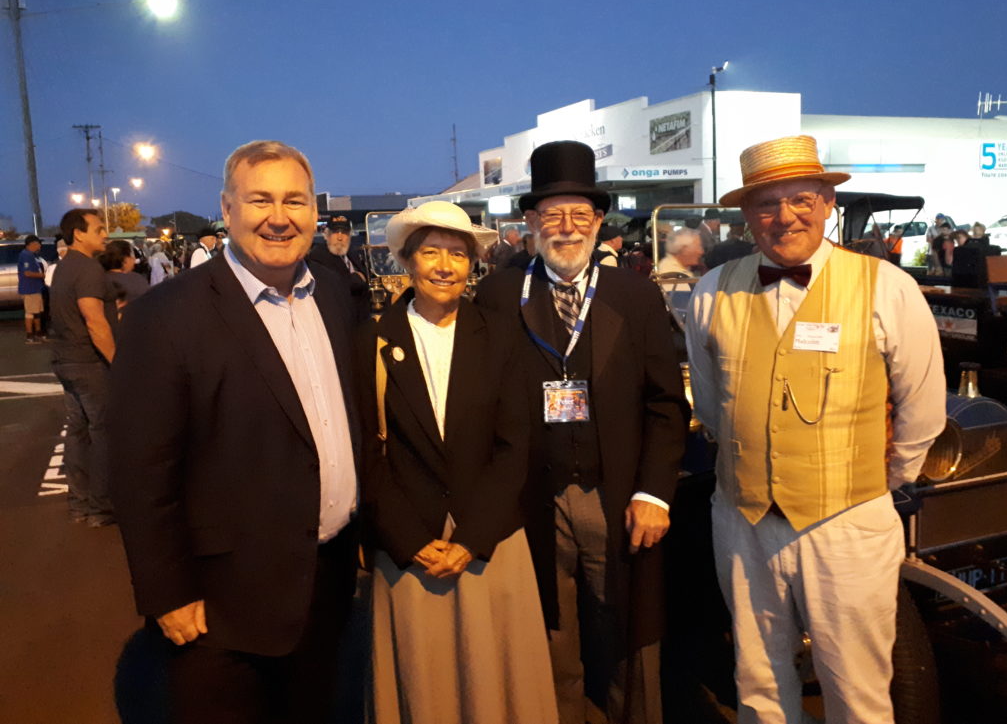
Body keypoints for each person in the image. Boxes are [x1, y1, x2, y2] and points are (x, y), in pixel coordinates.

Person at [685, 134, 945, 724]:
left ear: (827, 201)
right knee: (757, 681)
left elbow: (923, 411)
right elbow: (713, 403)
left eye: (800, 199)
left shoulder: (887, 288)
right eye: (766, 205)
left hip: (846, 523)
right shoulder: (710, 293)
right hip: (743, 518)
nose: (784, 217)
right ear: (747, 215)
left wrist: (866, 483)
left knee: (855, 687)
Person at [108, 140, 361, 724]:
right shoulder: (165, 316)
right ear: (227, 210)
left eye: (294, 200)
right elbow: (139, 469)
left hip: (326, 580)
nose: (279, 217)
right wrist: (167, 592)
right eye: (260, 200)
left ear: (314, 212)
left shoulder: (334, 295)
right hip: (221, 604)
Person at [476, 140, 689, 724]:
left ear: (598, 221)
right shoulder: (498, 295)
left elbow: (666, 405)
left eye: (578, 215)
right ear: (530, 222)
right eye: (552, 215)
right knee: (548, 636)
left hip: (617, 495)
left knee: (627, 636)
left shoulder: (636, 295)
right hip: (533, 500)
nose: (565, 228)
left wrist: (653, 494)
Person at [358, 200, 557, 724]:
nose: (445, 267)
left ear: (473, 265)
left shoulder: (500, 334)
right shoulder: (373, 340)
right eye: (430, 253)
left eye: (457, 255)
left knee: (498, 682)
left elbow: (516, 445)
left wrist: (472, 538)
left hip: (486, 536)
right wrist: (406, 538)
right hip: (410, 542)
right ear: (406, 259)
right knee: (426, 688)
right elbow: (365, 453)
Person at [50, 209, 116, 527]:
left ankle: (79, 503)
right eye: (99, 229)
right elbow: (94, 320)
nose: (105, 234)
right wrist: (118, 363)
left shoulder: (63, 267)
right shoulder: (88, 269)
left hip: (65, 361)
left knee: (78, 433)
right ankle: (102, 509)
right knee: (104, 433)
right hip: (89, 363)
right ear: (79, 233)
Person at [306, 213, 372, 324]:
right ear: (326, 235)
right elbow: (335, 285)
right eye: (335, 232)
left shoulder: (351, 253)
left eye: (344, 233)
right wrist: (357, 278)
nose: (340, 237)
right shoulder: (319, 255)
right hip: (338, 320)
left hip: (360, 318)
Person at [100, 240, 150, 316]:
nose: (134, 260)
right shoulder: (137, 280)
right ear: (125, 259)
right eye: (132, 256)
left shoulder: (100, 278)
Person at [17, 234, 47, 344]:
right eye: (38, 243)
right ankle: (30, 337)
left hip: (36, 288)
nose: (40, 245)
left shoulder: (32, 255)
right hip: (29, 289)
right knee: (30, 313)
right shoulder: (26, 255)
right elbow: (27, 273)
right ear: (32, 244)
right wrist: (44, 275)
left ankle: (38, 334)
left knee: (37, 312)